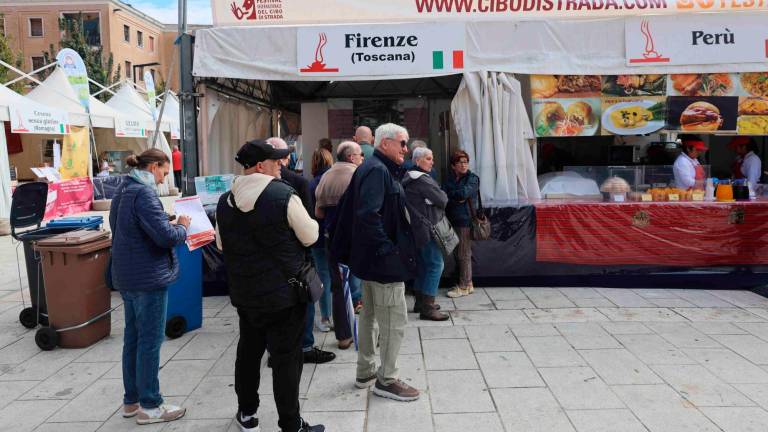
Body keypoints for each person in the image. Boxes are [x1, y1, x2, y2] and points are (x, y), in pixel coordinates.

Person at [216, 139, 325, 432]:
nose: (281, 165)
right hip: (285, 295)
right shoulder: (283, 195)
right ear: (261, 166)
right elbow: (311, 235)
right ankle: (291, 424)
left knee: (248, 354)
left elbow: (221, 244)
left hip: (246, 294)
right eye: (276, 161)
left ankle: (247, 414)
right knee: (286, 359)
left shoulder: (225, 200)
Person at [110, 149, 190, 425]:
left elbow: (120, 227)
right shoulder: (144, 193)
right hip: (148, 277)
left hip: (127, 275)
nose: (162, 180)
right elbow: (165, 238)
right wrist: (182, 226)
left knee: (132, 339)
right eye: (164, 173)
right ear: (154, 166)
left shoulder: (124, 187)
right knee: (149, 342)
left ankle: (131, 401)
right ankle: (151, 405)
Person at [343, 123, 419, 401]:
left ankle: (365, 371)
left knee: (371, 315)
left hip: (372, 260)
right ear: (384, 143)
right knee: (394, 320)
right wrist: (389, 250)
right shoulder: (377, 169)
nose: (405, 148)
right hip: (382, 261)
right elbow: (367, 215)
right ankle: (386, 379)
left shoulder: (374, 167)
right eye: (402, 142)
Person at [267, 137, 335, 364]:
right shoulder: (297, 182)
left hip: (266, 261)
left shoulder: (239, 188)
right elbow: (309, 224)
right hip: (295, 255)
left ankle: (277, 347)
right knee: (304, 297)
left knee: (275, 303)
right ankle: (305, 345)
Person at [315, 141, 364, 349]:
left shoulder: (326, 176)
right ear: (351, 157)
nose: (362, 158)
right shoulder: (358, 175)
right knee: (366, 284)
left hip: (331, 238)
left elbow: (318, 213)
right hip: (357, 238)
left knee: (338, 287)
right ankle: (370, 335)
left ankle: (343, 336)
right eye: (360, 155)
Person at [402, 147, 450, 321]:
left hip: (418, 228)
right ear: (417, 161)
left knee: (424, 265)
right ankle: (428, 308)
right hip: (428, 229)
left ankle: (420, 303)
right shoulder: (422, 180)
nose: (432, 162)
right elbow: (443, 199)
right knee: (436, 265)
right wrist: (437, 197)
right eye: (428, 159)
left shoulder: (409, 177)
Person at [442, 150, 480, 299]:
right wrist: (454, 196)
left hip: (465, 220)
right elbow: (443, 194)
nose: (464, 165)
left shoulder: (472, 178)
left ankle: (464, 286)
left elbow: (463, 194)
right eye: (460, 162)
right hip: (452, 219)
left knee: (463, 253)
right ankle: (467, 283)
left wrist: (455, 195)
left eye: (466, 162)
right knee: (458, 254)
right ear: (453, 165)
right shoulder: (450, 179)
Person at [309, 148, 334, 333]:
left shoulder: (311, 184)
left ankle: (326, 317)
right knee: (341, 276)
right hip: (335, 234)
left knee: (323, 275)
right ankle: (344, 314)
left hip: (317, 237)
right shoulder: (335, 181)